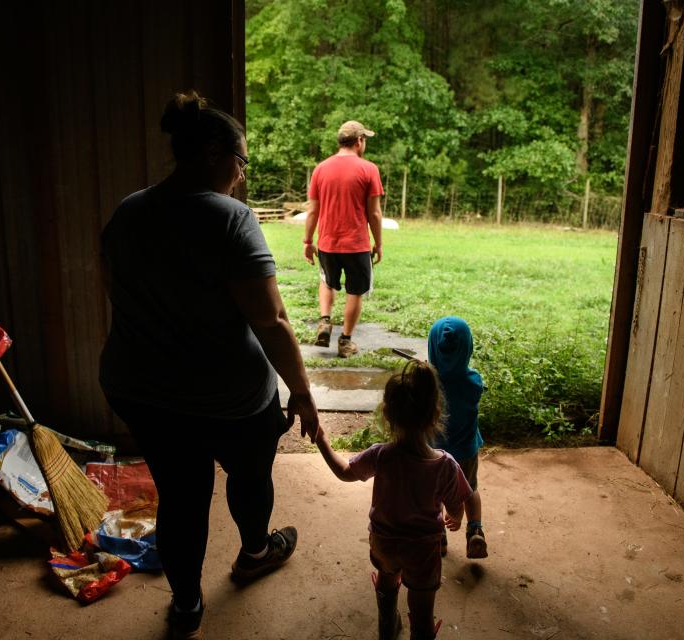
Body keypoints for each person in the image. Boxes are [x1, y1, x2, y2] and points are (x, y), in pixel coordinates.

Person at [99, 91, 320, 640]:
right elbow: (270, 322)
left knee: (180, 494)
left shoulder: (128, 211)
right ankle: (254, 552)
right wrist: (302, 391)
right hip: (231, 398)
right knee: (249, 476)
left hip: (141, 389)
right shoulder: (230, 218)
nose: (242, 178)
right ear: (214, 153)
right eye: (240, 163)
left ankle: (187, 604)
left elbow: (119, 292)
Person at [314, 360, 472, 640]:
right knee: (422, 609)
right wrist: (456, 517)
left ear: (387, 414)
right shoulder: (445, 465)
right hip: (423, 549)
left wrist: (322, 438)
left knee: (387, 579)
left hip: (384, 542)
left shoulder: (381, 456)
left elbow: (344, 472)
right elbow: (457, 504)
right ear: (434, 415)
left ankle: (387, 624)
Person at [304, 120, 384, 358]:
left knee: (327, 281)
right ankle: (345, 341)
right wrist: (378, 243)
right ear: (359, 141)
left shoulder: (321, 168)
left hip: (327, 243)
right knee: (355, 291)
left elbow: (312, 211)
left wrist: (307, 242)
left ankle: (325, 321)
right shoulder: (369, 169)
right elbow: (375, 213)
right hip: (356, 245)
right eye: (365, 139)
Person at [428, 316, 488, 560]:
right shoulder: (473, 382)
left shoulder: (428, 384)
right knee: (470, 490)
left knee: (434, 495)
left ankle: (438, 535)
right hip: (465, 452)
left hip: (434, 453)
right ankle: (475, 530)